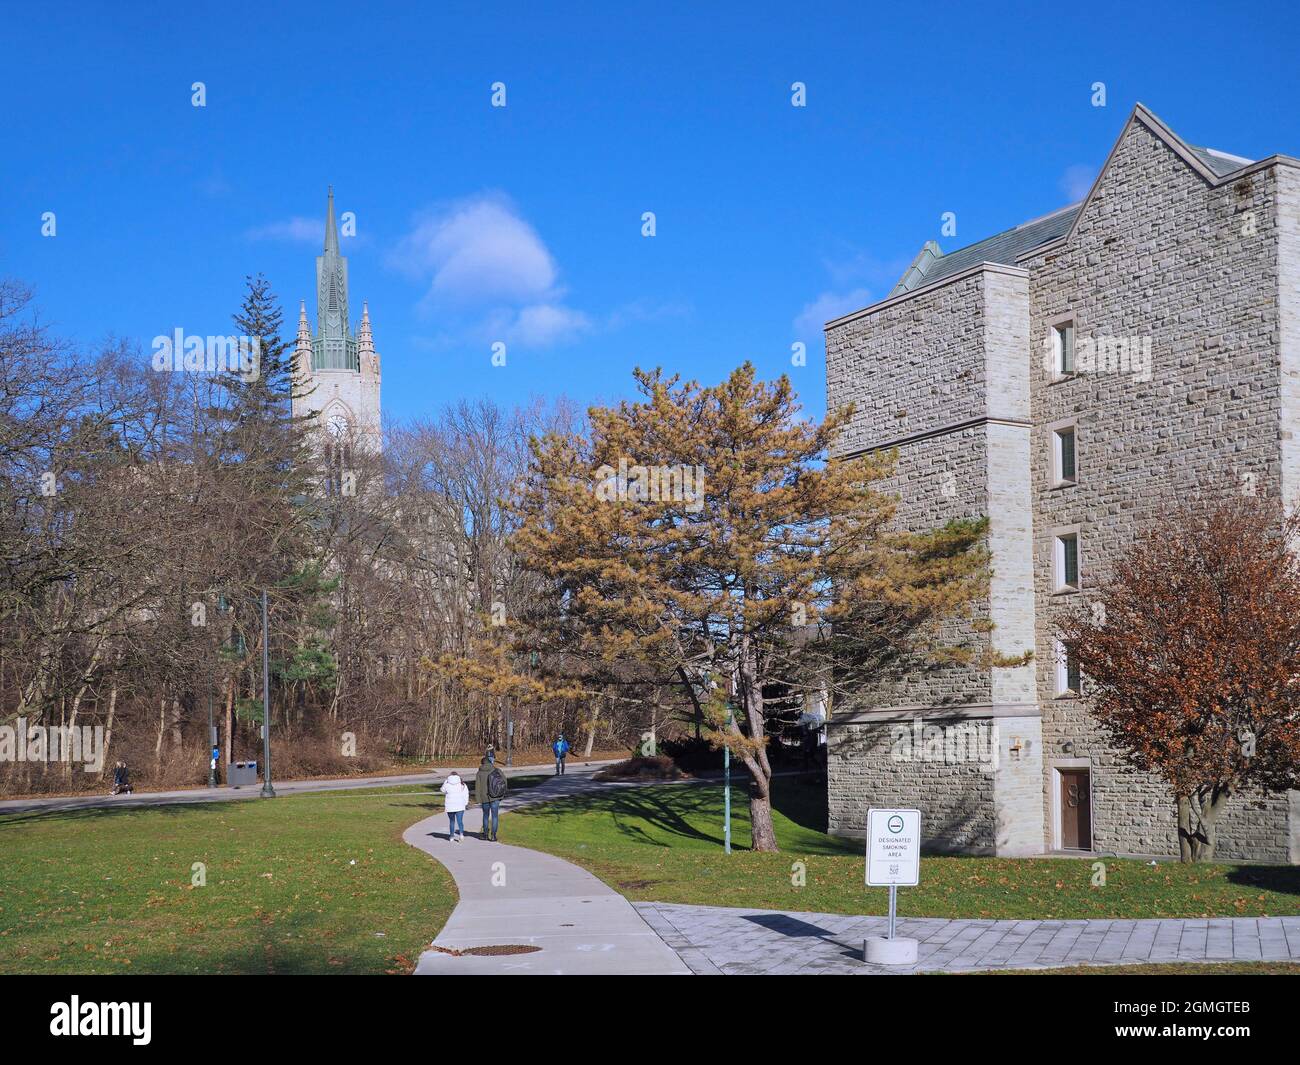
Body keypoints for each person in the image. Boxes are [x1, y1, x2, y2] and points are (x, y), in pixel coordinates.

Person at [475, 749, 508, 841]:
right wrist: (502, 794)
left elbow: (477, 787)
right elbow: (504, 782)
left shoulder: (479, 773)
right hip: (495, 797)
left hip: (484, 798)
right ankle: (493, 836)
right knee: (495, 816)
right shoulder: (496, 770)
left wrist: (478, 799)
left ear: (482, 763)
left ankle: (485, 834)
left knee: (485, 816)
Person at [440, 771, 469, 842]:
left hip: (450, 805)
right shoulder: (462, 784)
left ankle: (451, 836)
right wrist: (465, 803)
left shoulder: (447, 784)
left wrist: (445, 782)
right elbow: (466, 794)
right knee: (460, 821)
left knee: (452, 821)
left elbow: (442, 790)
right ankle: (461, 834)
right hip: (460, 805)